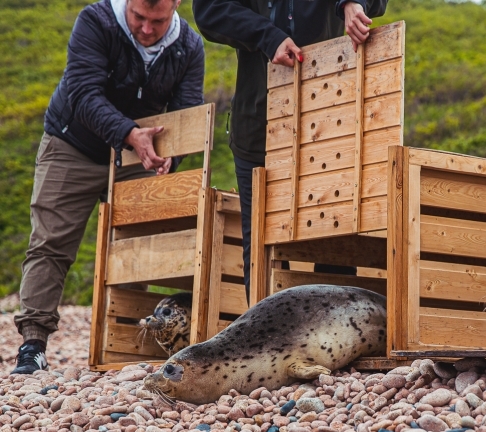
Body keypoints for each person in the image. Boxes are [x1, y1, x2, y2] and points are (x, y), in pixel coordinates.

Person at [11, 0, 205, 374]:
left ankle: (131, 345)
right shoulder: (94, 21)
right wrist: (129, 133)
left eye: (158, 21)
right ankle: (32, 345)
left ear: (176, 6)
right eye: (139, 18)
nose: (147, 29)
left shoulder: (190, 47)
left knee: (141, 245)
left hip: (138, 155)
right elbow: (83, 94)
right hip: (74, 144)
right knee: (51, 243)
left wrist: (169, 161)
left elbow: (186, 111)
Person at [193, 0, 389, 304]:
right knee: (261, 245)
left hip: (330, 121)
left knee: (335, 237)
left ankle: (332, 340)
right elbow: (209, 10)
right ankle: (264, 343)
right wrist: (267, 37)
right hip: (258, 127)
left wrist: (351, 3)